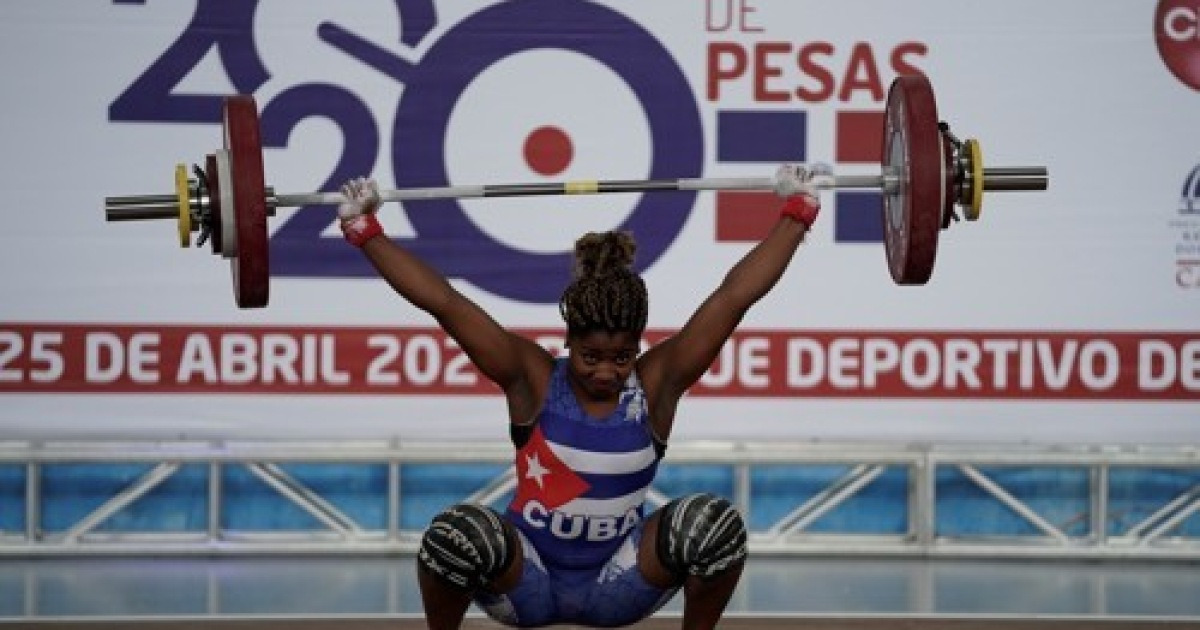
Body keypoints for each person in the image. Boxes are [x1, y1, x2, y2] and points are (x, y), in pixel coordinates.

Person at [336, 163, 827, 630]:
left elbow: (732, 298)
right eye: (591, 357)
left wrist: (796, 215)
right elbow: (443, 301)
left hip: (621, 582)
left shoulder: (656, 384)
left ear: (638, 345)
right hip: (526, 581)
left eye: (622, 357)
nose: (607, 372)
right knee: (456, 534)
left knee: (714, 525)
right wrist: (365, 232)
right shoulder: (531, 378)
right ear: (568, 339)